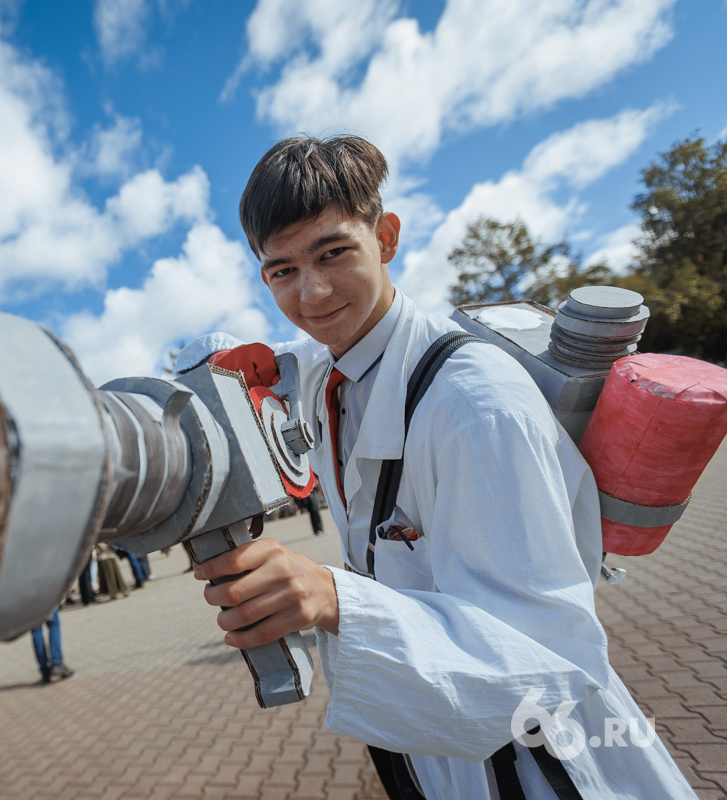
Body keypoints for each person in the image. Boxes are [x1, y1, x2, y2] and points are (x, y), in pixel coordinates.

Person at [180, 135, 694, 798]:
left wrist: (335, 598)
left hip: (546, 770)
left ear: (385, 238)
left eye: (333, 253)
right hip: (442, 753)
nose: (312, 292)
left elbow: (552, 665)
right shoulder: (333, 372)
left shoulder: (475, 403)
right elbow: (255, 363)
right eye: (282, 271)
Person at [30, 608, 73, 684]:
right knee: (53, 625)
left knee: (36, 632)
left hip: (29, 604)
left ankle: (44, 671)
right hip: (45, 601)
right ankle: (57, 663)